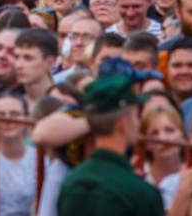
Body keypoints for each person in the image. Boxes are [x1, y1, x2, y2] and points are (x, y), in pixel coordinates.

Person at [58, 73, 164, 215]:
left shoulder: (71, 181)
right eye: (135, 115)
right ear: (123, 123)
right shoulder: (141, 193)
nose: (139, 121)